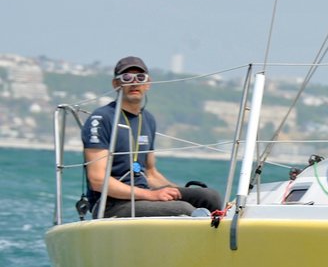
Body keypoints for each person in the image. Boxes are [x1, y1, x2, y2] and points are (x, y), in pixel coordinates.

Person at [81, 56, 223, 218]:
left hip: (143, 196)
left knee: (209, 197)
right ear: (116, 84)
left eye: (140, 77)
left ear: (147, 83)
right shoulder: (101, 118)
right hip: (112, 204)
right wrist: (151, 195)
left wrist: (173, 190)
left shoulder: (147, 119)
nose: (134, 83)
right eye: (127, 78)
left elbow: (150, 173)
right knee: (183, 209)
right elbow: (97, 179)